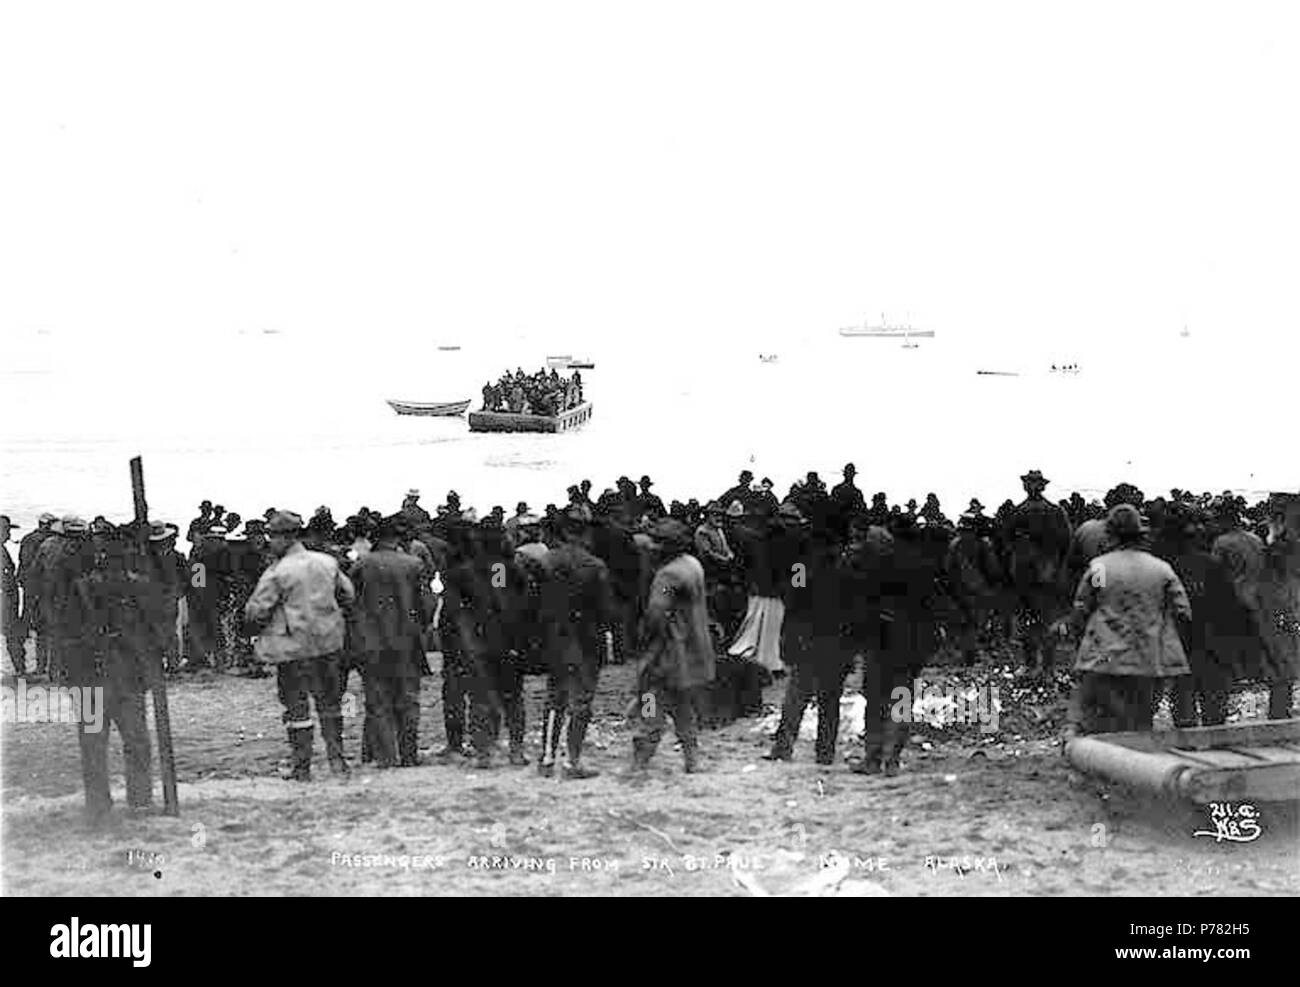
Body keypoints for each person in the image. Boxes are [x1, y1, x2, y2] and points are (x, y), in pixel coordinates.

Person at [244, 511, 356, 780]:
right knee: (330, 703)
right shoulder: (327, 562)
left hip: (293, 648)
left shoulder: (277, 572)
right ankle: (338, 762)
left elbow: (257, 611)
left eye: (272, 536)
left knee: (296, 707)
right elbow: (348, 595)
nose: (270, 542)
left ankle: (302, 767)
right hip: (328, 643)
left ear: (284, 537)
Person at [1064, 505, 1192, 735]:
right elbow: (1182, 612)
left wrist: (1081, 636)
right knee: (1140, 724)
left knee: (1098, 723)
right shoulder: (1161, 569)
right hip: (1147, 660)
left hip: (1103, 658)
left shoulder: (1101, 567)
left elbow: (1083, 606)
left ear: (1111, 534)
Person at [64, 532, 155, 824]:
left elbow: (66, 635)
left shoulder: (81, 588)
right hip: (123, 677)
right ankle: (137, 800)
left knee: (96, 744)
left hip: (95, 679)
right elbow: (155, 634)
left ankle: (99, 802)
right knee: (135, 741)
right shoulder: (139, 587)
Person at [629, 519, 714, 773]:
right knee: (683, 708)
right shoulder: (692, 564)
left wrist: (643, 644)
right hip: (693, 651)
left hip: (668, 654)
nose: (652, 546)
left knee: (650, 706)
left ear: (668, 547)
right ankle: (692, 761)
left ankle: (639, 763)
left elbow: (656, 615)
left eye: (657, 542)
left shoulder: (667, 575)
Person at [537, 509, 614, 778]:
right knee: (580, 701)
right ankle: (572, 761)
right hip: (586, 640)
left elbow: (536, 602)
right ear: (585, 533)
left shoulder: (547, 561)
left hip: (555, 637)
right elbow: (605, 611)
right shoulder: (595, 566)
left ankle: (546, 759)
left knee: (554, 698)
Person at [350, 516, 426, 768]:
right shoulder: (414, 564)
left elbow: (351, 602)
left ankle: (385, 757)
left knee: (377, 701)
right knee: (408, 700)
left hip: (372, 642)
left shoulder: (363, 565)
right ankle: (409, 755)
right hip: (407, 641)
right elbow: (425, 605)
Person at [1003, 469, 1072, 671]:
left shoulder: (1018, 512)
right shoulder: (1054, 511)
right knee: (1042, 619)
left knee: (1031, 620)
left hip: (1029, 573)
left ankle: (1035, 664)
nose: (1031, 486)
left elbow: (1006, 544)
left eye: (1033, 483)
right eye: (1030, 483)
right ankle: (1043, 666)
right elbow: (1066, 542)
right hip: (1042, 573)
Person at [1, 516, 22, 673]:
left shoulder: (3, 548)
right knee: (12, 633)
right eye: (6, 530)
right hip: (5, 598)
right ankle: (19, 668)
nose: (8, 534)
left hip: (7, 597)